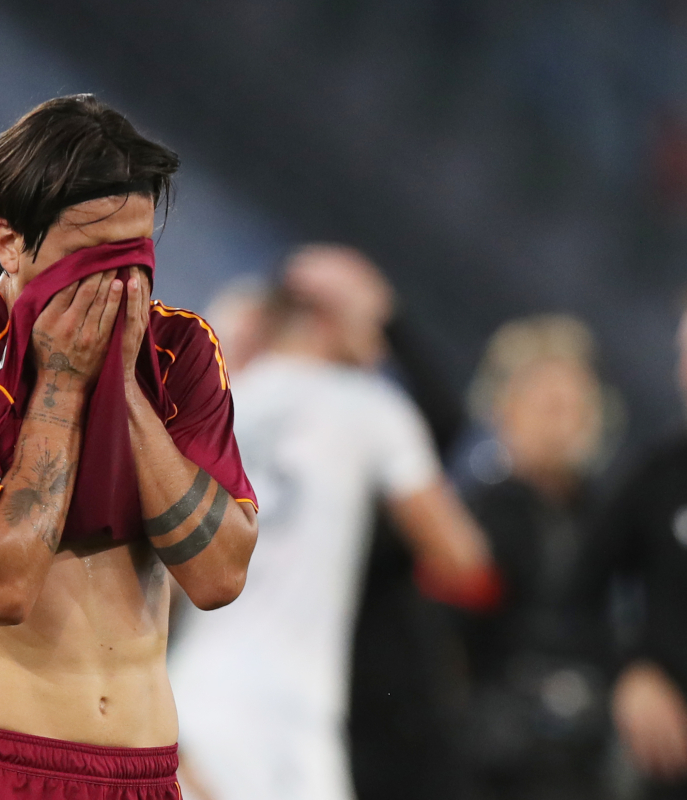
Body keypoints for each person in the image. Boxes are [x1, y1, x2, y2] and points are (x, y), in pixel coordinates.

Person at [0, 94, 258, 799]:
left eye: (135, 254)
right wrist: (61, 387)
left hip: (147, 774)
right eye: (89, 257)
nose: (117, 284)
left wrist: (127, 392)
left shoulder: (179, 350)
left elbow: (220, 576)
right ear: (8, 241)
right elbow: (2, 585)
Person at [169, 244, 497, 800]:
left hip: (195, 688)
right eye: (369, 315)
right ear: (324, 316)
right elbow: (462, 557)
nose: (379, 335)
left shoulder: (220, 407)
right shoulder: (371, 407)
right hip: (295, 713)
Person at [456, 314, 615, 800]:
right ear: (505, 410)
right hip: (492, 754)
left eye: (573, 407)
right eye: (547, 406)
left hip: (586, 754)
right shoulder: (475, 517)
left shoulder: (611, 516)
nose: (562, 423)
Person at [576, 301, 687, 800]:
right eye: (683, 353)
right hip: (667, 764)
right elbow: (578, 590)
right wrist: (630, 672)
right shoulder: (661, 474)